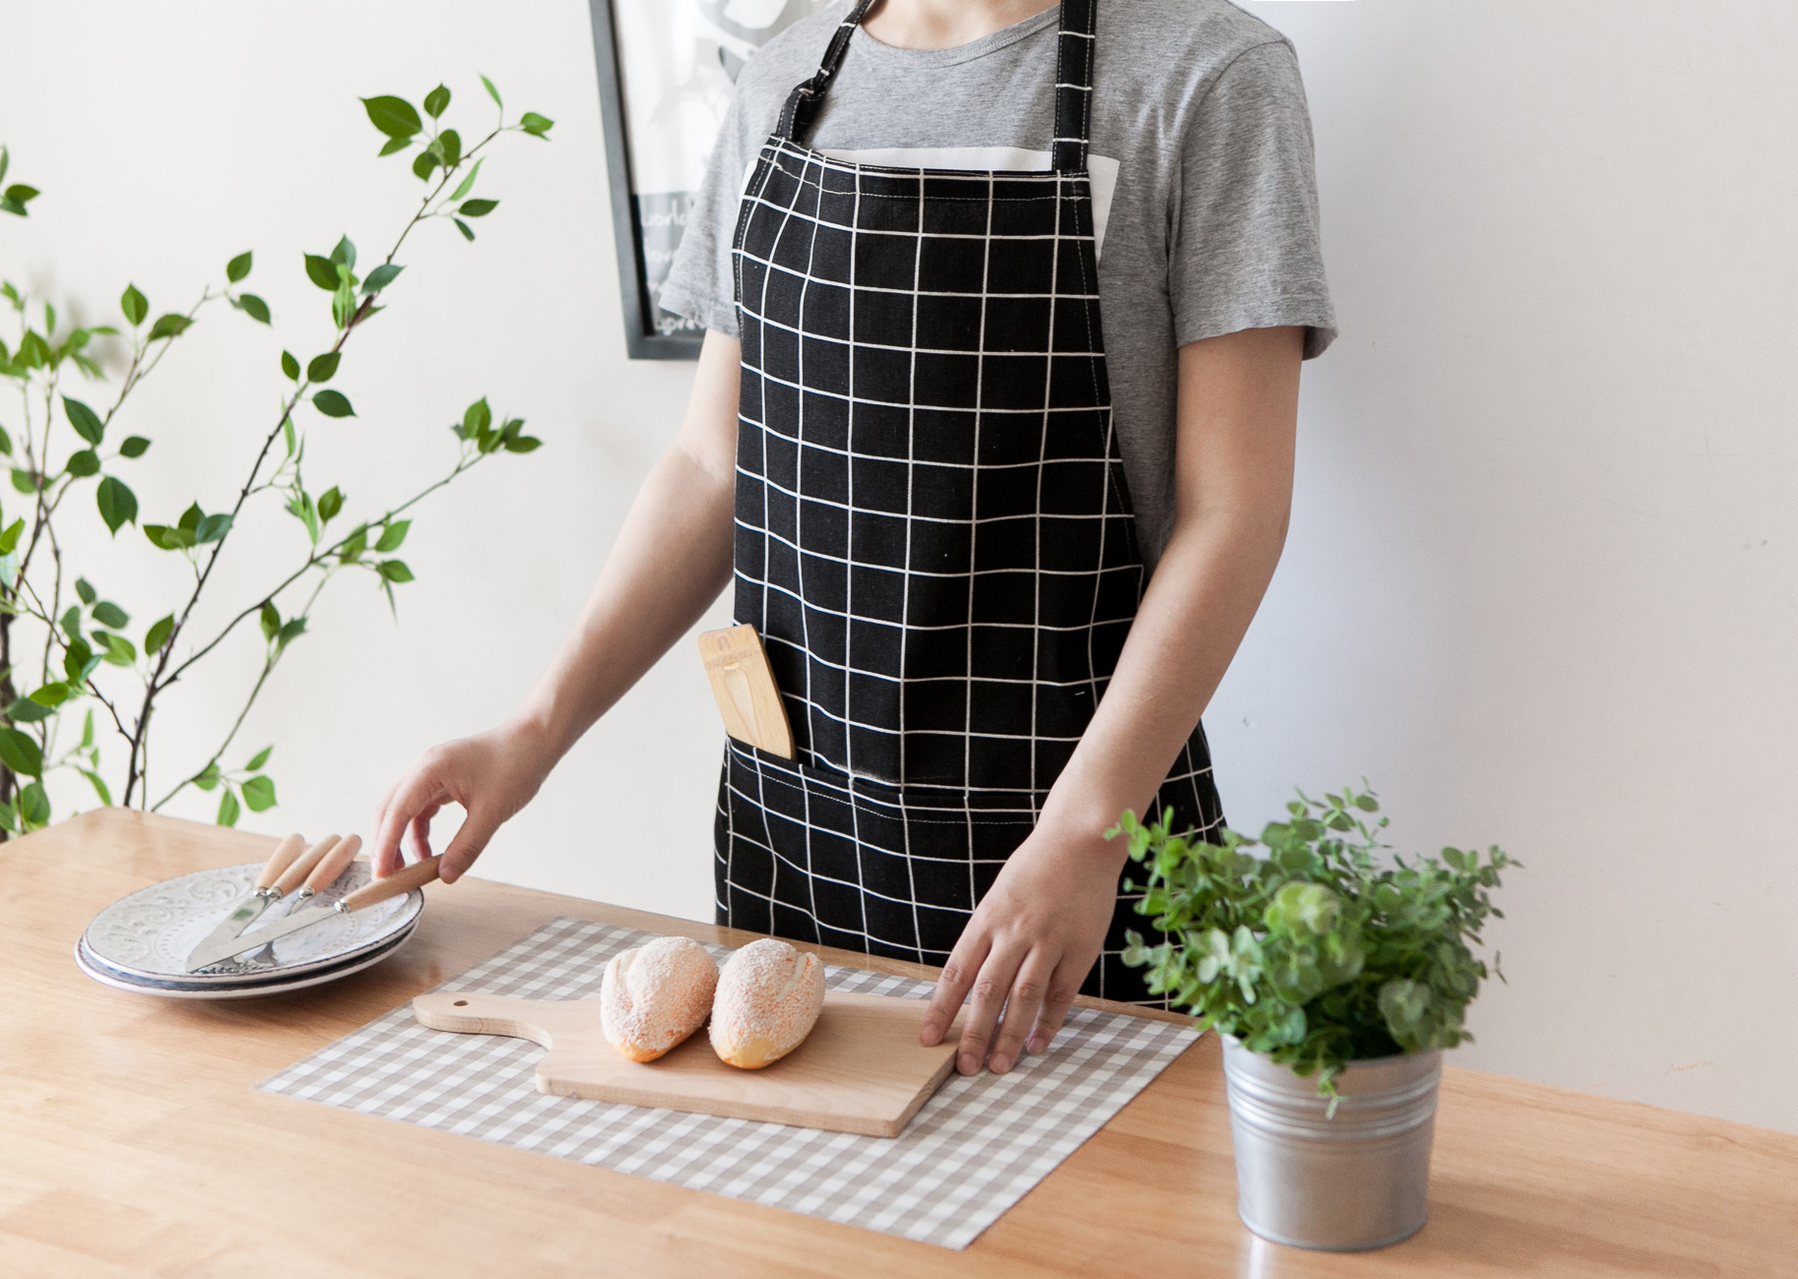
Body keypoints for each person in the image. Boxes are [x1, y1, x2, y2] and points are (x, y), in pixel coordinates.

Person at [372, 0, 1335, 1078]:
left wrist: (1084, 837)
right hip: (800, 832)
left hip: (1065, 852)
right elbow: (710, 464)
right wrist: (533, 731)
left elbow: (1233, 514)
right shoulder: (785, 71)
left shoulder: (1209, 76)